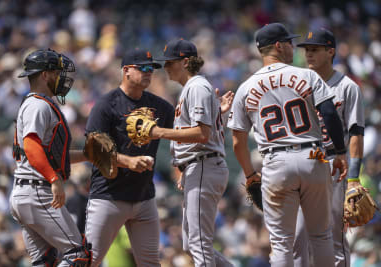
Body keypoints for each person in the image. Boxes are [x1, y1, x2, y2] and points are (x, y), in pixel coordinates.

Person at [227, 23, 348, 267]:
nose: (294, 47)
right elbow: (330, 114)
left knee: (282, 242)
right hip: (313, 156)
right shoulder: (307, 75)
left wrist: (251, 175)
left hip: (275, 162)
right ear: (279, 46)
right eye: (290, 43)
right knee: (321, 236)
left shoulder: (245, 88)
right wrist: (341, 152)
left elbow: (238, 142)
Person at [84, 48, 175, 266]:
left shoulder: (159, 106)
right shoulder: (106, 105)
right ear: (126, 70)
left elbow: (183, 131)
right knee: (89, 261)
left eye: (151, 69)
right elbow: (93, 149)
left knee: (151, 263)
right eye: (142, 68)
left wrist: (218, 112)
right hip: (109, 196)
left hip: (144, 198)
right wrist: (128, 161)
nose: (148, 73)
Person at [151, 39, 234, 267]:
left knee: (199, 244)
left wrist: (159, 132)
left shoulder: (197, 86)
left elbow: (201, 134)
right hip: (199, 165)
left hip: (204, 164)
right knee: (190, 245)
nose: (166, 67)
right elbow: (207, 131)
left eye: (171, 62)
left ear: (186, 62)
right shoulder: (194, 88)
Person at [10, 49, 91, 266]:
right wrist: (54, 180)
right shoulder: (37, 105)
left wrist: (87, 155)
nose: (60, 77)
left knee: (45, 261)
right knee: (78, 255)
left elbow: (52, 156)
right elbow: (31, 146)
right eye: (56, 72)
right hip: (38, 190)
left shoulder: (37, 103)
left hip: (27, 191)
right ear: (44, 75)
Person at [293, 28, 366, 267]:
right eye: (306, 50)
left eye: (315, 50)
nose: (309, 55)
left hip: (335, 165)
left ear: (330, 52)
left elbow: (355, 134)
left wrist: (353, 179)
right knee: (298, 237)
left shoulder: (347, 87)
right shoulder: (300, 85)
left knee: (334, 236)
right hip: (305, 163)